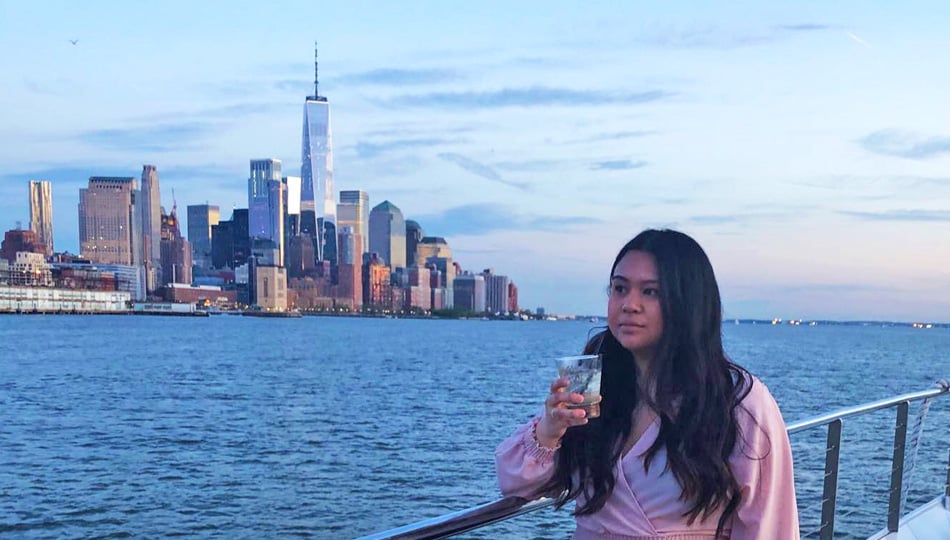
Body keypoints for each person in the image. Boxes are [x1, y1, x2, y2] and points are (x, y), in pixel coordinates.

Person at [495, 229, 799, 539]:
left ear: (688, 302)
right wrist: (549, 430)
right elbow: (516, 485)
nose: (629, 304)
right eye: (620, 288)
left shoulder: (738, 402)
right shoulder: (593, 383)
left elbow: (770, 528)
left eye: (650, 292)